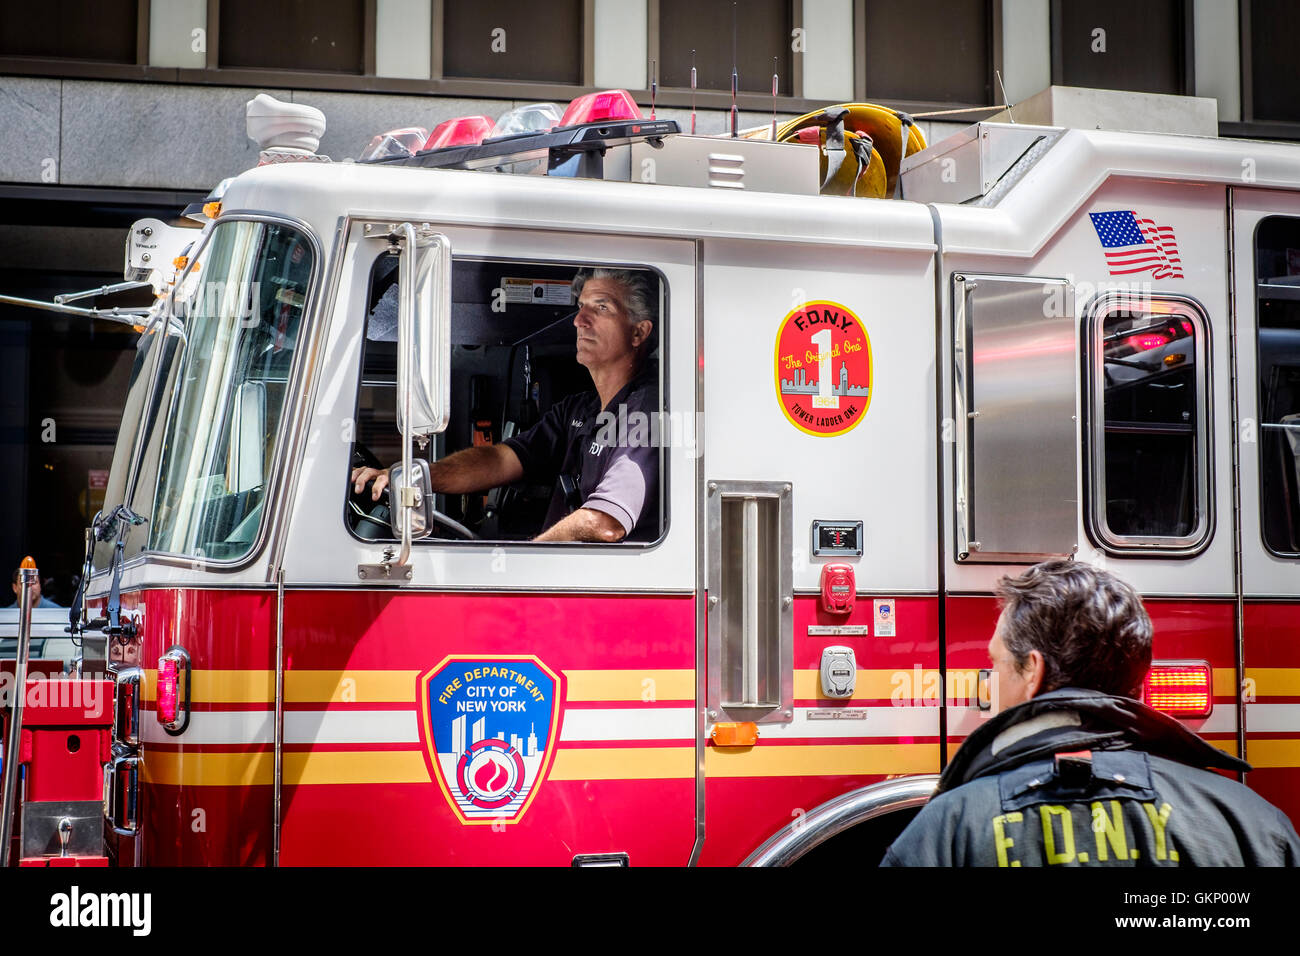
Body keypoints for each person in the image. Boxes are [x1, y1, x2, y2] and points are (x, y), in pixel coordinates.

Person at [881, 559, 1300, 867]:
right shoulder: (1253, 826)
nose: (991, 686)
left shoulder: (946, 835)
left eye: (996, 665)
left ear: (1034, 672)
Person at [351, 268, 660, 543]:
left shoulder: (647, 408)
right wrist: (415, 475)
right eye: (581, 307)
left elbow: (606, 522)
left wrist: (527, 562)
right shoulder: (578, 410)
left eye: (601, 307)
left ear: (638, 332)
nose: (579, 320)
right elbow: (502, 460)